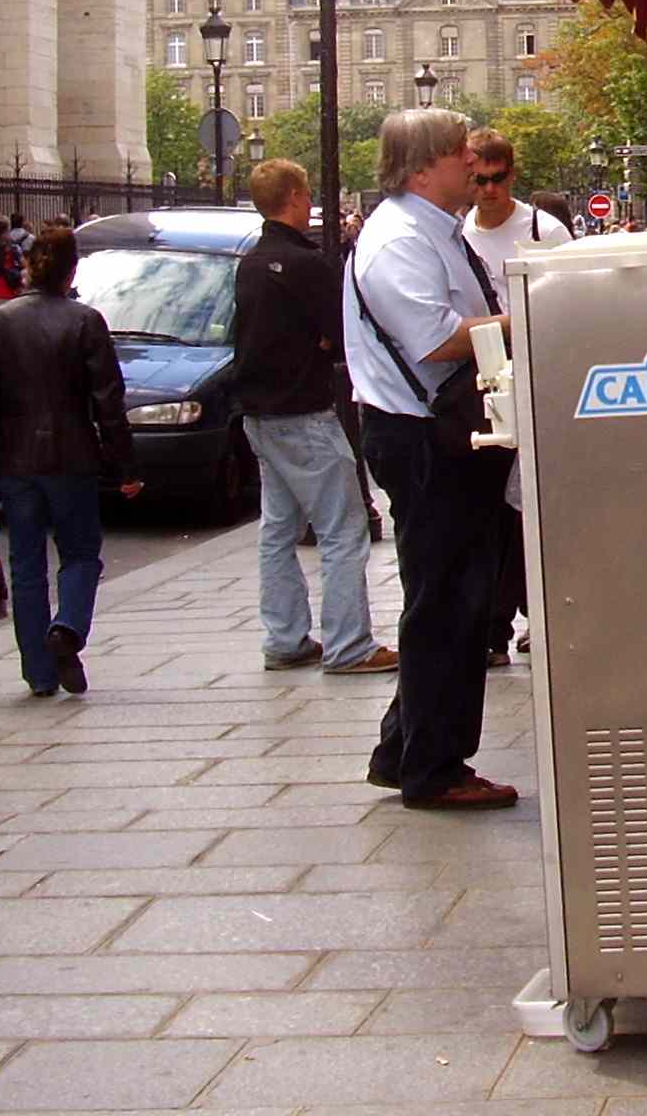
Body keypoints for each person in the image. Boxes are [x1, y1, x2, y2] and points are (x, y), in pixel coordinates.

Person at [343, 109, 519, 810]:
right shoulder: (398, 240)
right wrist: (531, 313)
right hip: (423, 439)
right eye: (457, 152)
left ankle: (403, 750)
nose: (471, 162)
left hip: (442, 434)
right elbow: (436, 339)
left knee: (453, 596)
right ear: (420, 169)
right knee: (447, 604)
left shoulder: (432, 230)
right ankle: (435, 769)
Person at [231, 159, 395, 676]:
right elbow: (342, 331)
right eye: (306, 195)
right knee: (343, 529)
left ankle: (285, 637)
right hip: (305, 411)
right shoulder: (306, 265)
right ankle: (350, 643)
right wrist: (323, 344)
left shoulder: (251, 262)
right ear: (296, 197)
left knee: (278, 528)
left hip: (259, 413)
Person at [0, 220, 130, 698]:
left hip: (14, 461)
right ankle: (68, 627)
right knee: (80, 553)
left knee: (27, 564)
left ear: (29, 268)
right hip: (72, 456)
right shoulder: (85, 321)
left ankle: (38, 672)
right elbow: (108, 401)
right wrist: (125, 466)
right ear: (71, 271)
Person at [459, 130, 572, 666]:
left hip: (538, 372)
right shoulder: (460, 234)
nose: (488, 190)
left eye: (497, 178)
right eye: (478, 180)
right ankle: (495, 625)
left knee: (529, 506)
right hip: (484, 380)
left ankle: (532, 615)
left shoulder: (543, 229)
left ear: (512, 174)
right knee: (492, 511)